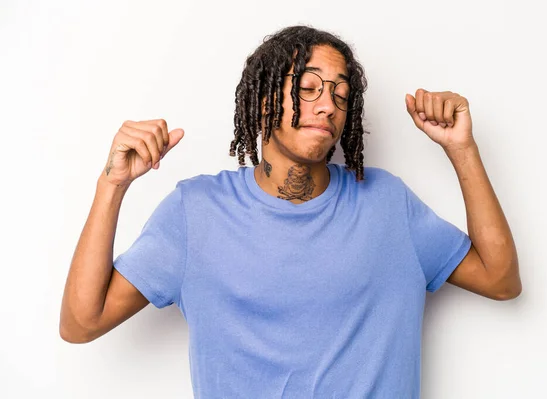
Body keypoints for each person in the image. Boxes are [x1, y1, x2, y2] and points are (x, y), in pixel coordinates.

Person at [60, 25, 521, 398]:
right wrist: (112, 185)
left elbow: (500, 280)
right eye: (308, 88)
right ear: (263, 103)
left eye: (341, 95)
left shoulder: (387, 204)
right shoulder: (195, 212)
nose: (328, 105)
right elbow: (81, 323)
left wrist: (462, 150)